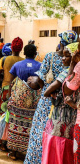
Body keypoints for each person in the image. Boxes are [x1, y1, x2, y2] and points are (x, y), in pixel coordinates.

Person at [25, 30, 78, 164]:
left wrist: (46, 88)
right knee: (65, 137)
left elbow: (41, 80)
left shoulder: (51, 57)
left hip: (49, 102)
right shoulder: (76, 63)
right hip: (69, 105)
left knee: (42, 133)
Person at [41, 43, 78, 164]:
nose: (63, 58)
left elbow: (47, 92)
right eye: (63, 56)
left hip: (59, 119)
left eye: (67, 56)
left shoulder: (67, 73)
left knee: (56, 151)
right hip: (72, 119)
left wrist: (56, 94)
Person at [6, 44, 41, 160]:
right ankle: (27, 151)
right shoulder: (40, 66)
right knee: (31, 124)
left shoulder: (17, 65)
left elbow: (11, 83)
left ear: (24, 53)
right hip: (34, 100)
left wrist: (11, 97)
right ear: (35, 54)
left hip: (18, 99)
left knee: (15, 123)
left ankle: (14, 152)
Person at [0, 37, 24, 151]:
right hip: (19, 91)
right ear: (21, 48)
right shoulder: (22, 60)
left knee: (3, 115)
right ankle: (13, 141)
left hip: (6, 88)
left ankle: (2, 143)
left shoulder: (4, 59)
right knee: (14, 117)